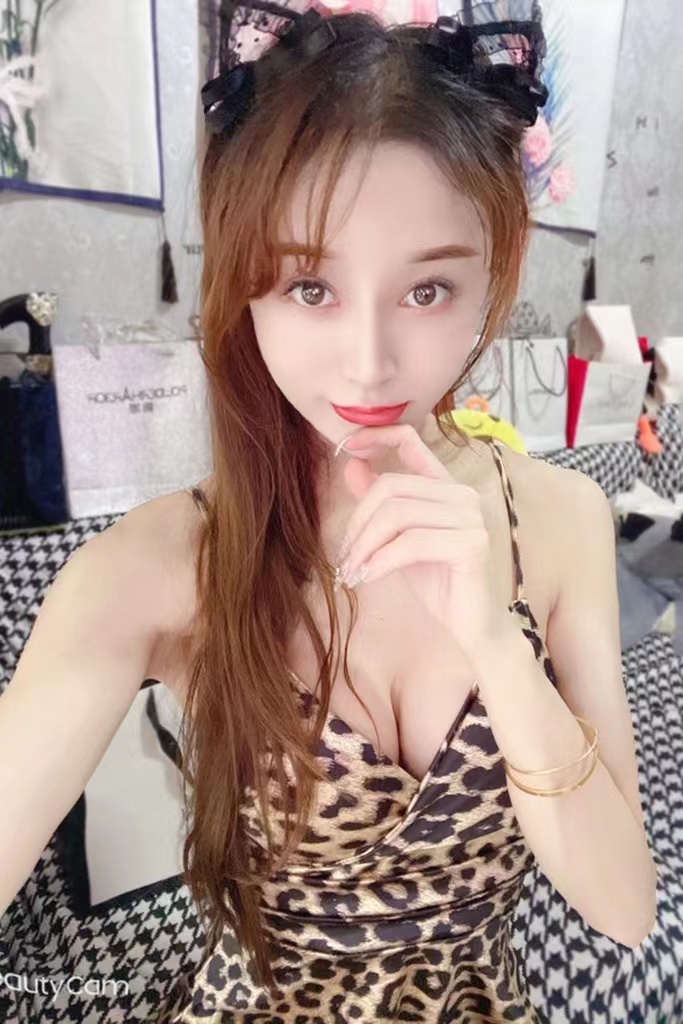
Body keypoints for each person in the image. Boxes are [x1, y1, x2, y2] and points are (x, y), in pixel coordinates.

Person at [0, 1, 657, 1021]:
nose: (367, 364)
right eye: (308, 287)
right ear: (244, 285)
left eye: (427, 291)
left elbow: (623, 907)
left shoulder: (562, 516)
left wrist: (493, 642)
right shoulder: (157, 565)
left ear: (492, 271)